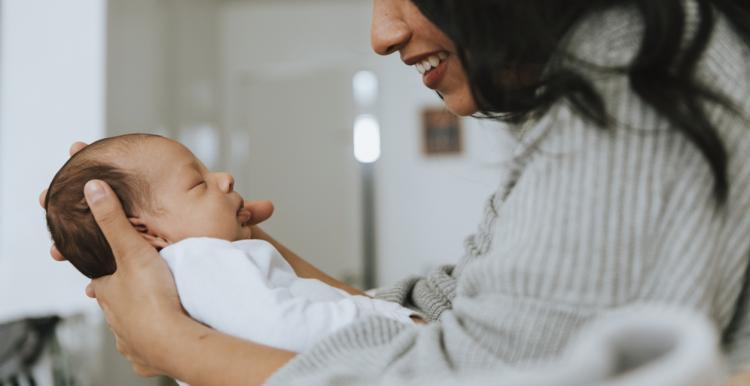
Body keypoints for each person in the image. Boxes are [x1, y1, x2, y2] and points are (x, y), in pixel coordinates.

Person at [40, 0, 750, 385]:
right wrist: (228, 237)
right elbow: (439, 315)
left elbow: (476, 369)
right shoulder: (591, 90)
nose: (381, 32)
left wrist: (177, 345)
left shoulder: (634, 80)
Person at [43, 134, 415, 362]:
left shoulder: (191, 270)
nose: (224, 178)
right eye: (198, 183)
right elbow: (283, 331)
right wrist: (387, 321)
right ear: (147, 233)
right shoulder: (197, 260)